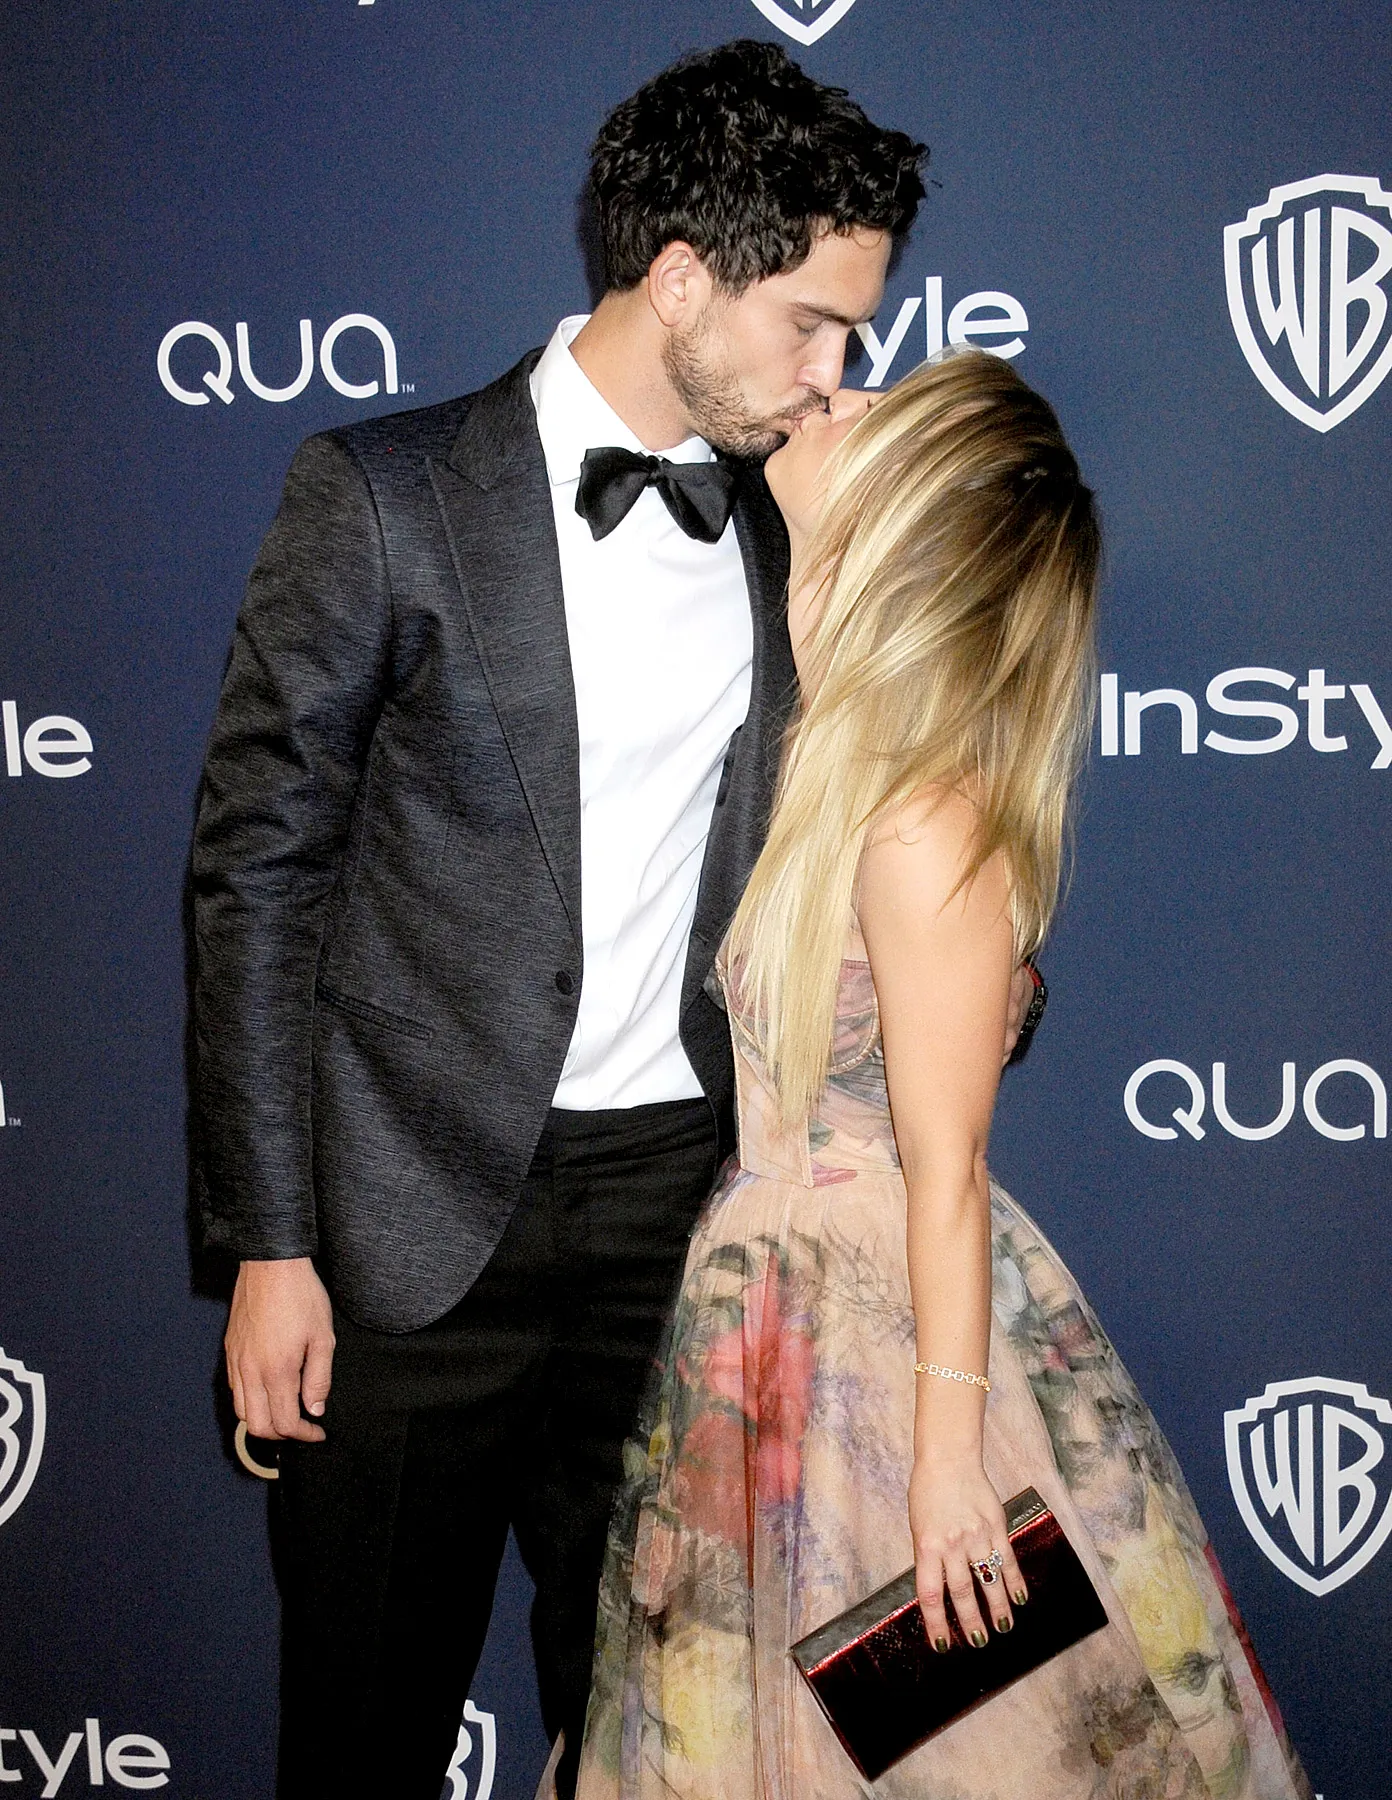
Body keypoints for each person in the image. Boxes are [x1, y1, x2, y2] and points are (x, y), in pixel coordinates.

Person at [192, 39, 1036, 1800]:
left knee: (665, 1742)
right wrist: (271, 1243)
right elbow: (259, 882)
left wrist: (988, 977)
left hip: (686, 1226)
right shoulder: (383, 495)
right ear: (681, 279)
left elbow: (917, 809)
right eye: (812, 324)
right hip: (406, 1232)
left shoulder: (804, 527)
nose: (836, 374)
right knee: (360, 1729)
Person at [574, 354, 1312, 1800]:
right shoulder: (837, 749)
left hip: (881, 1337)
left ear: (904, 518)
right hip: (765, 1315)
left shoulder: (923, 819)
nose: (830, 399)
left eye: (873, 416)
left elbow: (949, 1166)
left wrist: (947, 1459)